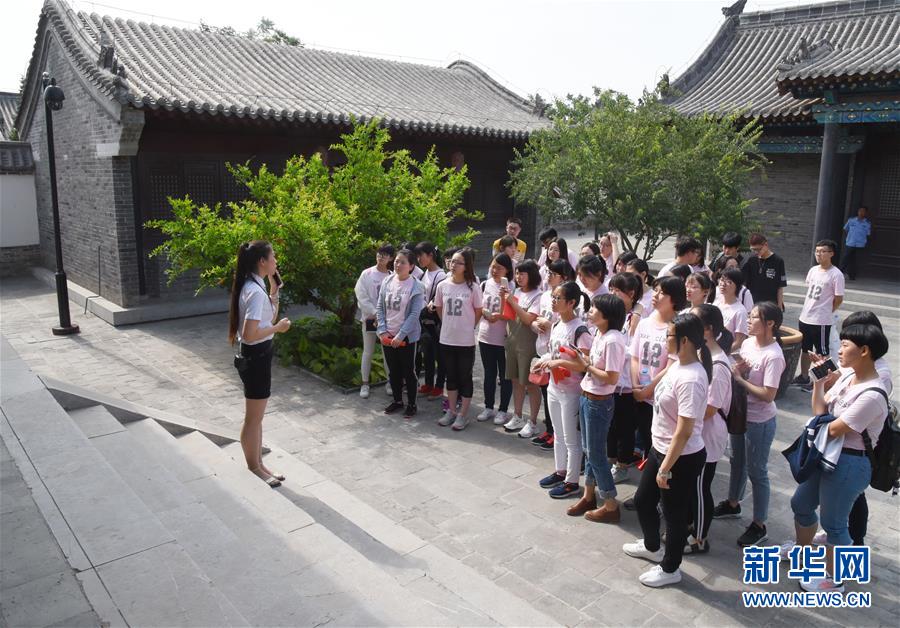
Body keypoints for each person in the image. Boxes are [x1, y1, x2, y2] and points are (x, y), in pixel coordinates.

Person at [788, 323, 889, 593]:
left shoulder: (873, 394)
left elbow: (833, 428)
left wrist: (819, 419)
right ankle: (804, 554)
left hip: (849, 464)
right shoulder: (846, 377)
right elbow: (820, 409)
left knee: (834, 524)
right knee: (801, 503)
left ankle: (834, 579)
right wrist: (819, 383)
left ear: (865, 351)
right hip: (827, 456)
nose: (839, 349)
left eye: (845, 344)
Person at [623, 313, 710, 587]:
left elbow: (684, 431)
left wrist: (665, 467)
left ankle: (670, 568)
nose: (664, 340)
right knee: (643, 500)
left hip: (680, 458)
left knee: (674, 515)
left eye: (669, 336)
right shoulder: (678, 364)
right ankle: (652, 546)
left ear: (684, 341)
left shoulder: (693, 379)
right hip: (661, 450)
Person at [714, 302, 785, 546]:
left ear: (770, 324)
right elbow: (743, 376)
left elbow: (768, 394)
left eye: (754, 317)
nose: (748, 320)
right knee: (737, 462)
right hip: (741, 414)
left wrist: (739, 380)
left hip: (760, 421)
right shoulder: (747, 344)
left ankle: (759, 524)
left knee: (758, 472)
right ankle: (733, 503)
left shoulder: (774, 355)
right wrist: (741, 372)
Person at [229, 240, 292, 487]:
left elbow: (267, 318)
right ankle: (254, 467)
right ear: (262, 262)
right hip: (255, 357)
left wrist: (275, 290)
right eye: (273, 256)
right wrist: (279, 328)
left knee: (257, 417)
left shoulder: (255, 286)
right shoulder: (254, 292)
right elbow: (252, 332)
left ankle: (260, 464)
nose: (276, 261)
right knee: (253, 418)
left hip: (260, 355)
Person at [567, 293, 628, 522]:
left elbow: (611, 378)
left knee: (596, 454)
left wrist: (586, 366)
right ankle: (589, 494)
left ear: (607, 316)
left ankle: (611, 504)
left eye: (594, 308)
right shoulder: (600, 334)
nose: (590, 311)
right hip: (588, 396)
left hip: (599, 402)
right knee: (588, 449)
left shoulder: (613, 339)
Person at [533, 281, 593, 499]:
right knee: (558, 434)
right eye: (553, 297)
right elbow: (555, 354)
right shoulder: (557, 325)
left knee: (571, 438)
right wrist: (545, 361)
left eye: (558, 298)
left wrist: (557, 364)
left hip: (571, 391)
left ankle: (572, 481)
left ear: (571, 303)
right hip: (554, 387)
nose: (553, 301)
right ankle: (560, 471)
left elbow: (584, 365)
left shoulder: (581, 330)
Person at [686, 304, 734, 555]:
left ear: (708, 329)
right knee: (692, 484)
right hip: (695, 433)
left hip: (708, 434)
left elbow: (710, 408)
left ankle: (700, 538)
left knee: (701, 486)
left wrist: (682, 419)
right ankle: (691, 525)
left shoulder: (719, 365)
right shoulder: (702, 355)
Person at [630, 277, 687, 467]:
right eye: (655, 290)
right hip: (640, 394)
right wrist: (636, 386)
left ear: (675, 299)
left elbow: (671, 365)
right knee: (645, 436)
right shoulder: (645, 323)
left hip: (660, 397)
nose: (655, 295)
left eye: (662, 292)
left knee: (659, 443)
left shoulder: (676, 328)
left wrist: (648, 390)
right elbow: (635, 357)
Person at [529, 259, 575, 449]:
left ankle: (558, 434)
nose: (548, 276)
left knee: (556, 396)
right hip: (543, 349)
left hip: (557, 355)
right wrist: (535, 324)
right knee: (546, 391)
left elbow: (563, 322)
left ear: (563, 277)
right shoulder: (545, 295)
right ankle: (549, 430)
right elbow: (534, 317)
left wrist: (549, 325)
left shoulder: (567, 298)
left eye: (553, 273)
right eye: (547, 272)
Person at [435, 249, 483, 430]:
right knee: (450, 377)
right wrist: (448, 324)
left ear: (467, 266)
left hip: (465, 341)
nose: (453, 265)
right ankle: (452, 411)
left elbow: (478, 311)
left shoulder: (473, 287)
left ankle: (463, 414)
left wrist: (468, 326)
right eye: (452, 261)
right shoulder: (442, 285)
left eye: (458, 262)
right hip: (446, 339)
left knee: (465, 377)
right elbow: (439, 308)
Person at [377, 249, 425, 419]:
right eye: (397, 261)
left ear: (411, 266)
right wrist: (382, 331)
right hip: (388, 336)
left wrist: (400, 335)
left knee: (408, 371)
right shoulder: (387, 281)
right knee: (393, 371)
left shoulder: (417, 286)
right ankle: (397, 401)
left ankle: (411, 404)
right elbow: (380, 307)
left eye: (403, 262)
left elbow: (414, 314)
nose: (398, 264)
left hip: (406, 338)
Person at [606, 272, 644, 484]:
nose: (612, 294)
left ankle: (622, 464)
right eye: (611, 289)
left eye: (617, 291)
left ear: (631, 294)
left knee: (626, 427)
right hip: (611, 382)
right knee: (611, 425)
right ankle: (611, 459)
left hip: (627, 384)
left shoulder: (636, 319)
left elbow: (634, 351)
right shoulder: (612, 316)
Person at [501, 260, 545, 437]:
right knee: (515, 381)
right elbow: (509, 315)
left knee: (531, 384)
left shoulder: (538, 296)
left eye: (522, 274)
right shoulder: (516, 291)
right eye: (517, 273)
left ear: (532, 275)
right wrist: (505, 299)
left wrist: (512, 301)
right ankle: (517, 415)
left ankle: (533, 421)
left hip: (528, 345)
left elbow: (528, 319)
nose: (518, 277)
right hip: (513, 342)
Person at [794, 239, 845, 391]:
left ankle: (822, 382)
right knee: (805, 349)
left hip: (821, 320)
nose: (819, 254)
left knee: (822, 353)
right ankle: (804, 377)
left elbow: (839, 298)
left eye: (823, 251)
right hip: (805, 317)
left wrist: (828, 311)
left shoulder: (836, 275)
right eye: (817, 251)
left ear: (831, 254)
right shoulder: (813, 270)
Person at [476, 253, 514, 424]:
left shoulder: (511, 286)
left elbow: (512, 313)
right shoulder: (485, 284)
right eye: (493, 266)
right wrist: (485, 313)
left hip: (504, 338)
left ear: (507, 270)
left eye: (499, 267)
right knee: (489, 374)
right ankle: (488, 407)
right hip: (485, 336)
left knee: (505, 376)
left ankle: (503, 410)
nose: (495, 270)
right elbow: (480, 306)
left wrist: (500, 311)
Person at [355, 243, 394, 399]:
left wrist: (384, 316)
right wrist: (374, 312)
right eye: (379, 253)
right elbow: (361, 295)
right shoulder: (367, 274)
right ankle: (365, 384)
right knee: (368, 351)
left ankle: (390, 382)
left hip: (387, 321)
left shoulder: (392, 276)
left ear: (391, 258)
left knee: (387, 353)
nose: (381, 256)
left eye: (385, 254)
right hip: (370, 319)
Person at [415, 242, 447, 401]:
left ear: (431, 256)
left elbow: (438, 300)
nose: (418, 259)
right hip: (424, 320)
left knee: (439, 355)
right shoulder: (424, 273)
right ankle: (428, 383)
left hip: (435, 322)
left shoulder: (441, 275)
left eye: (421, 255)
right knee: (427, 353)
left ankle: (439, 386)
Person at [742, 233, 786, 310]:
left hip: (770, 305)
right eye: (753, 249)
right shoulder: (751, 260)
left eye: (758, 249)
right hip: (752, 303)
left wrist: (779, 307)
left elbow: (780, 287)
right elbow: (744, 283)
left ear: (766, 245)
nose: (756, 252)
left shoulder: (778, 261)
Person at [715, 268, 748, 352]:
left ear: (737, 286)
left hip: (728, 356)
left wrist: (723, 355)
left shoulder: (740, 311)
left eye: (729, 282)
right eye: (722, 279)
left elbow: (739, 341)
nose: (723, 284)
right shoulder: (717, 303)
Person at [840, 206, 871, 280]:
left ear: (866, 213)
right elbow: (846, 229)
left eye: (863, 211)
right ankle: (840, 273)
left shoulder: (867, 223)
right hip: (850, 242)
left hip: (860, 244)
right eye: (860, 211)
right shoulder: (851, 220)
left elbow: (868, 234)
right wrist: (850, 237)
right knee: (846, 258)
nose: (861, 213)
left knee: (855, 260)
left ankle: (852, 276)